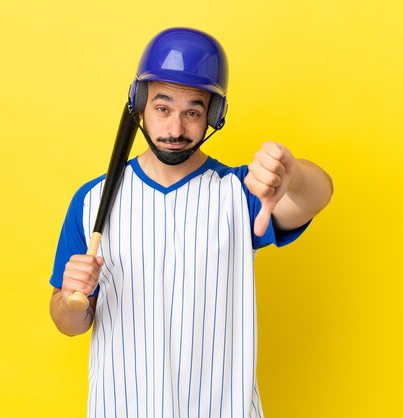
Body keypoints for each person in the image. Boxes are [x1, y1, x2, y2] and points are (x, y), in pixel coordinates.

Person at [49, 27, 333, 418]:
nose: (176, 129)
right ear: (141, 105)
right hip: (121, 407)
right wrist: (70, 299)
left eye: (193, 112)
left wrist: (293, 173)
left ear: (213, 115)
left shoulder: (241, 192)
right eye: (163, 108)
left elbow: (316, 196)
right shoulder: (92, 200)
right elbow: (69, 323)